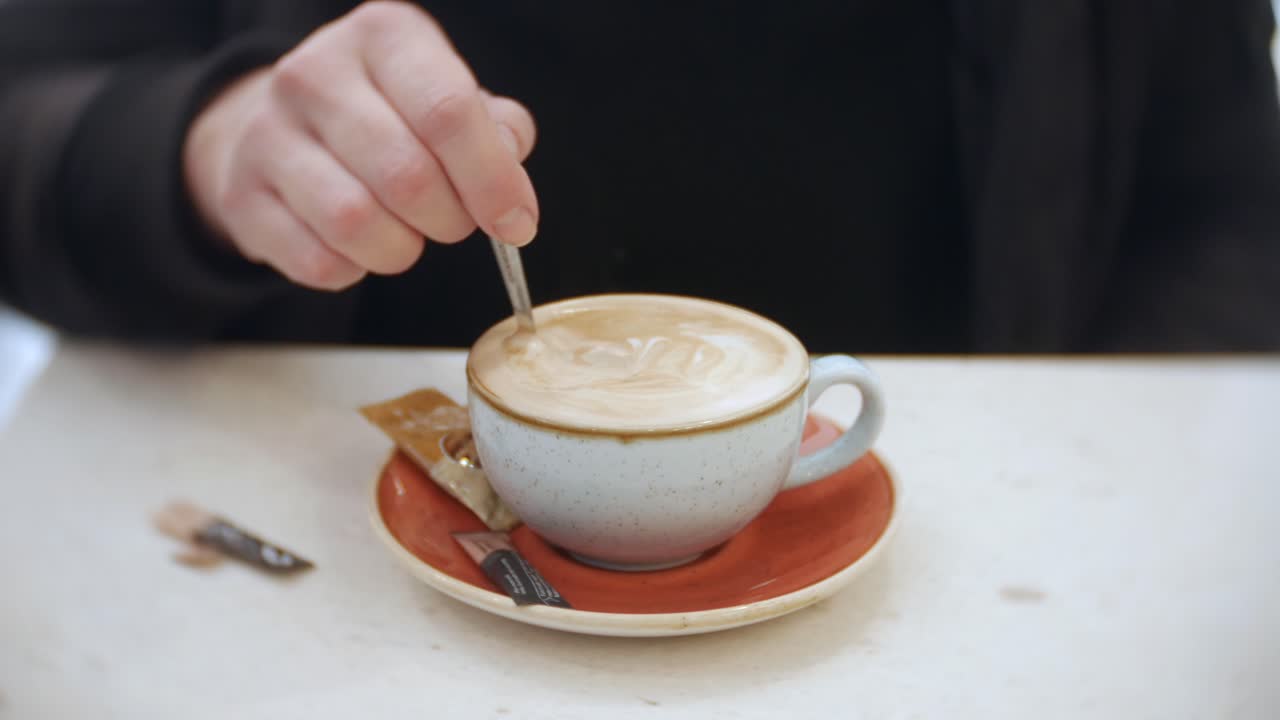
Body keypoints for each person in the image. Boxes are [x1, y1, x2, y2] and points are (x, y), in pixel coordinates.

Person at [2, 0, 1278, 353]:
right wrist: (203, 149)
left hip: (947, 594)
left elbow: (1218, 199)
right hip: (344, 589)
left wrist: (1077, 515)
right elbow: (26, 127)